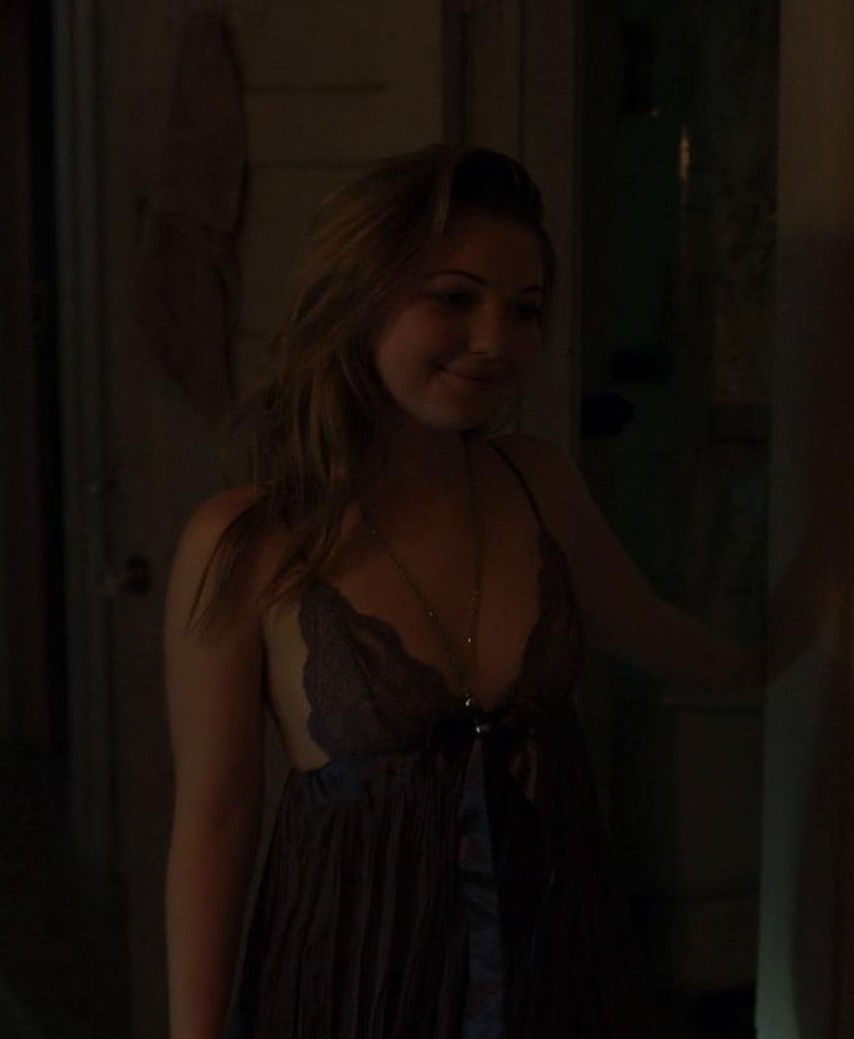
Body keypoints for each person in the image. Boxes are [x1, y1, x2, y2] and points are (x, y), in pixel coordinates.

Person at [161, 144, 763, 1039]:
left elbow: (646, 627)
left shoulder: (537, 483)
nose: (495, 340)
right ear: (362, 295)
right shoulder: (248, 541)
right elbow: (216, 821)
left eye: (526, 309)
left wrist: (792, 654)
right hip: (356, 988)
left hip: (557, 970)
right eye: (453, 297)